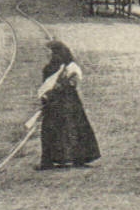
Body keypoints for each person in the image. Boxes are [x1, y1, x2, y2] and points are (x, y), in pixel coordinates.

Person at [35, 40, 100, 169]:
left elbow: (71, 83)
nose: (48, 55)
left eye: (50, 52)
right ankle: (60, 158)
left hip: (64, 102)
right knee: (61, 128)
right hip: (61, 102)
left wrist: (56, 90)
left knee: (66, 128)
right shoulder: (52, 68)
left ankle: (71, 158)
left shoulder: (67, 68)